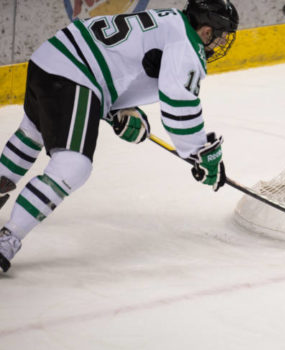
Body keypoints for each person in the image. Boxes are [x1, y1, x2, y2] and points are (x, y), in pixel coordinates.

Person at [0, 0, 239, 273]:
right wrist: (200, 151)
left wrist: (121, 112)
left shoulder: (170, 21)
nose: (219, 43)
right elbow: (179, 103)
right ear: (207, 31)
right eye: (220, 36)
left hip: (52, 58)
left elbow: (121, 62)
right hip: (75, 73)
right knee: (73, 165)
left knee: (32, 134)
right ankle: (8, 238)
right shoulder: (187, 43)